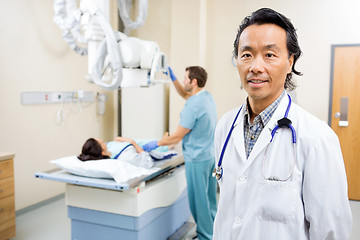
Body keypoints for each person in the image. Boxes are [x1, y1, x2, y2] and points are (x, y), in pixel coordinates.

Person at [212, 8, 352, 240]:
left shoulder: (317, 138)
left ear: (289, 62)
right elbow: (228, 212)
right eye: (246, 54)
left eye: (269, 55)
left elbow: (331, 231)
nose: (255, 66)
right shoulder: (225, 127)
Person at [142, 66, 217, 240]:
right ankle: (214, 232)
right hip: (210, 156)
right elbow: (185, 94)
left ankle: (205, 236)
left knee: (199, 202)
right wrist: (173, 78)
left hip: (197, 159)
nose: (183, 82)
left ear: (194, 82)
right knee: (210, 199)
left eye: (185, 78)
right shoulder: (206, 97)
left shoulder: (193, 106)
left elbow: (176, 137)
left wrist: (156, 143)